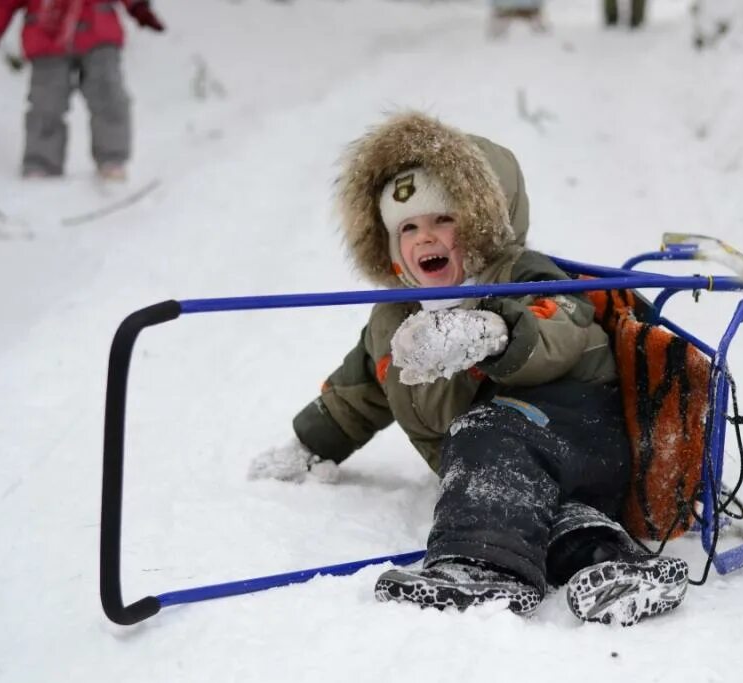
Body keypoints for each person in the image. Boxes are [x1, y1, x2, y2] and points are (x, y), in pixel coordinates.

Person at [249, 112, 688, 626]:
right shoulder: (395, 320)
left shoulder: (522, 276)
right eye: (407, 228)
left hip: (586, 437)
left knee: (488, 433)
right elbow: (360, 389)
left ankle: (482, 568)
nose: (425, 237)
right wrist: (309, 444)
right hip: (510, 481)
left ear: (480, 224)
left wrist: (491, 331)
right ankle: (614, 565)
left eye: (444, 220)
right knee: (548, 519)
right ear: (391, 252)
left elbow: (561, 328)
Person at [0, 0, 166, 180]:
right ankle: (41, 164)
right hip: (47, 34)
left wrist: (139, 7)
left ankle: (112, 160)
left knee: (109, 95)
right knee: (45, 104)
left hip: (98, 29)